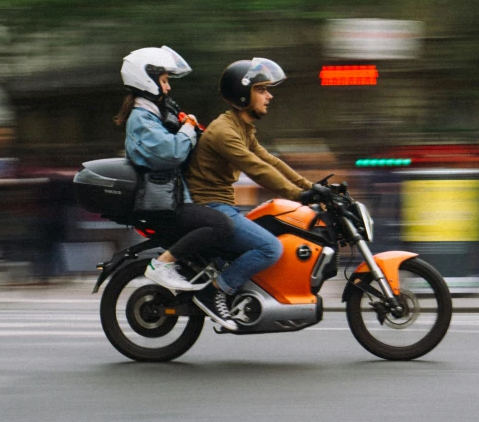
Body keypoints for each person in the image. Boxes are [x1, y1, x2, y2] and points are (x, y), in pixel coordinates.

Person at [185, 58, 329, 303]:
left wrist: (310, 187)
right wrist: (298, 195)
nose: (269, 96)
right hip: (212, 207)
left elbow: (270, 161)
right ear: (243, 95)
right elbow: (256, 168)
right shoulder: (224, 132)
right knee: (270, 248)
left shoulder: (241, 128)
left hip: (224, 206)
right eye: (261, 90)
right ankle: (216, 293)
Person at [115, 46, 237, 331]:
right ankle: (164, 265)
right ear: (147, 79)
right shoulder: (141, 118)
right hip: (161, 207)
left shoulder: (153, 115)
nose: (168, 88)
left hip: (173, 200)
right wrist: (188, 129)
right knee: (222, 225)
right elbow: (170, 153)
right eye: (165, 80)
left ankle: (213, 289)